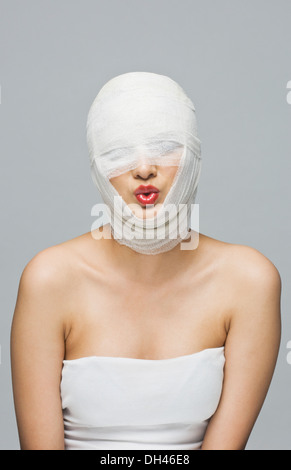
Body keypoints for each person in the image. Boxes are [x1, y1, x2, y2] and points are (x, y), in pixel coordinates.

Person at [10, 72, 281, 450]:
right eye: (118, 152)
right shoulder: (49, 280)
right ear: (97, 166)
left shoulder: (249, 281)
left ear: (194, 154)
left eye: (163, 145)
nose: (142, 168)